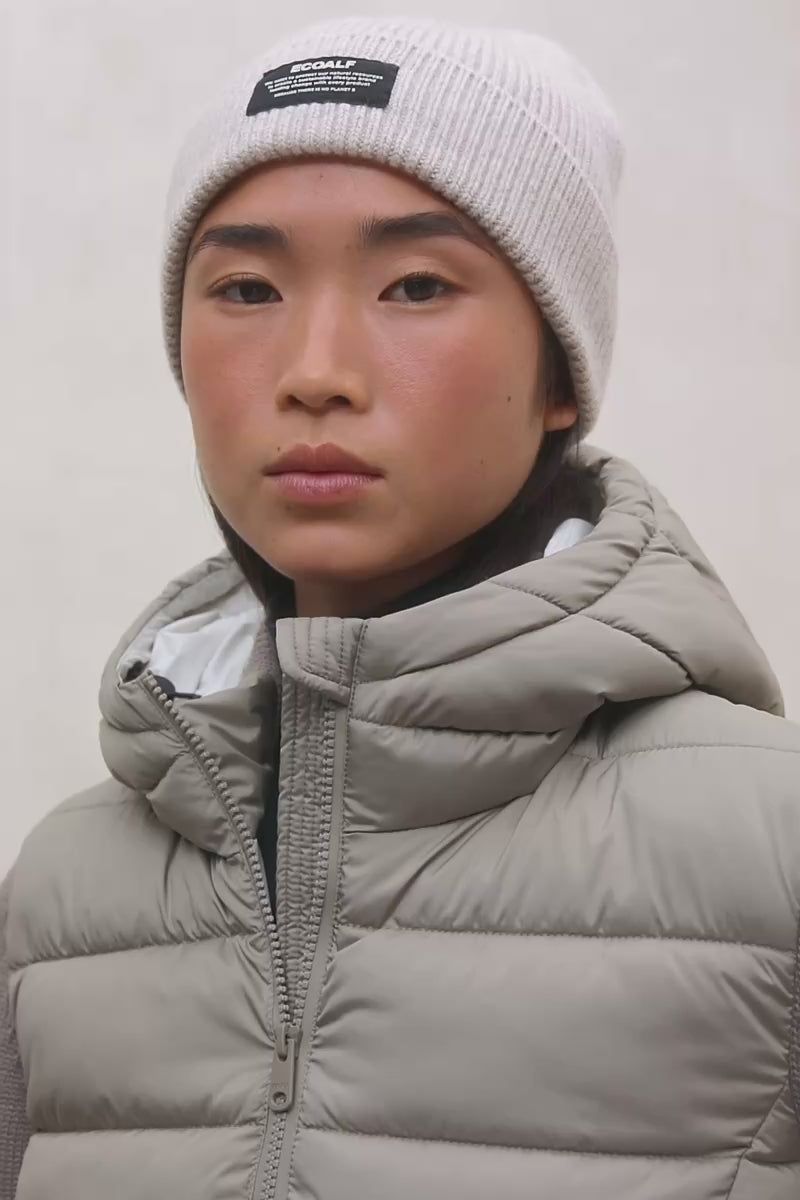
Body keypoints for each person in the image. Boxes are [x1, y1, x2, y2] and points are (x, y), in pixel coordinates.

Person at [2, 14, 799, 1200]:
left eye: (416, 285)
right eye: (246, 287)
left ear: (559, 375)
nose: (314, 370)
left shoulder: (769, 853)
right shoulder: (63, 895)